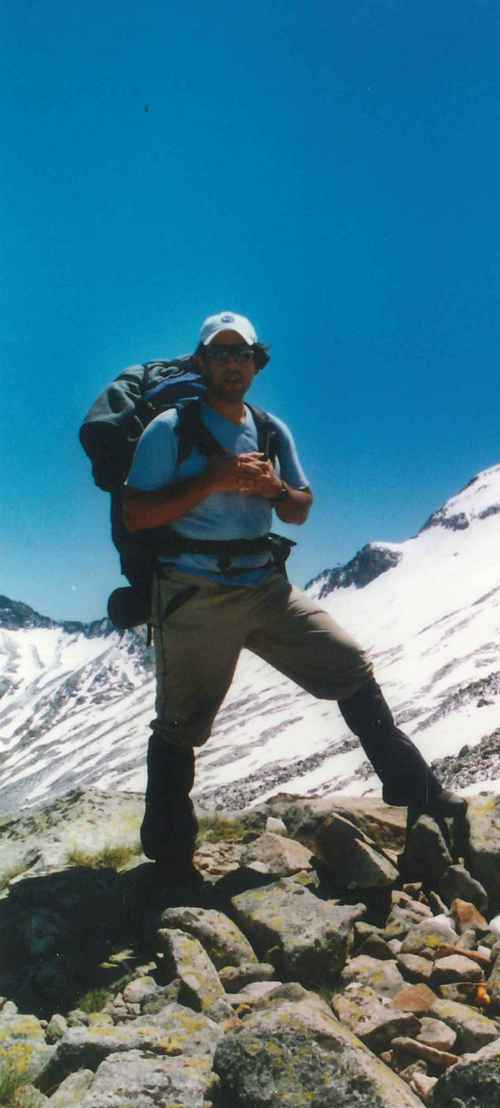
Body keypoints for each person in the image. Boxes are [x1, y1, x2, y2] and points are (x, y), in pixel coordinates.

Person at [124, 310, 463, 873]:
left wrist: (273, 487)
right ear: (202, 362)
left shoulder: (270, 428)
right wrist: (216, 478)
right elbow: (136, 513)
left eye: (242, 353)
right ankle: (169, 856)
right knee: (181, 723)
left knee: (348, 664)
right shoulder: (170, 430)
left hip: (263, 584)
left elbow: (300, 509)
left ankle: (414, 787)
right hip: (195, 590)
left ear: (256, 362)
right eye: (221, 353)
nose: (232, 364)